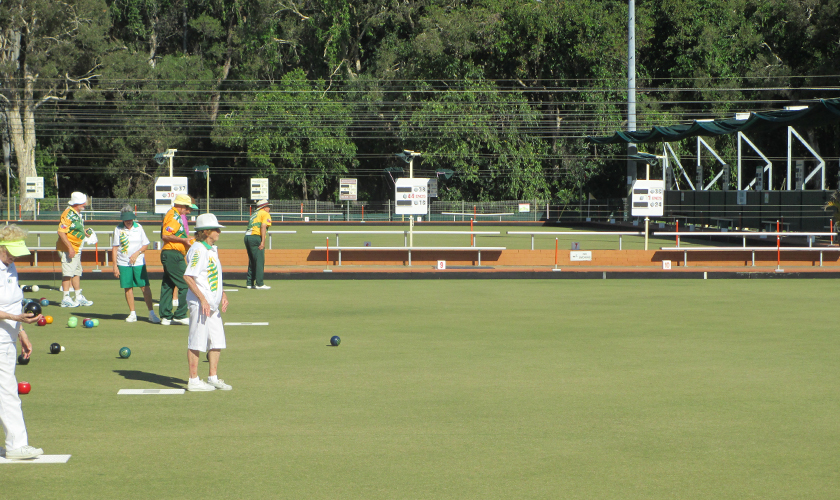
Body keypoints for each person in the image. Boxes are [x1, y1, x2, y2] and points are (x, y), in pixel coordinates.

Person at [0, 225, 45, 460]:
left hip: (8, 337)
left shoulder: (11, 266)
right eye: (11, 251)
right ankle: (17, 445)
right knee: (7, 391)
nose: (15, 256)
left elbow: (14, 302)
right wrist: (16, 319)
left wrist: (21, 332)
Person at [184, 213, 230, 392]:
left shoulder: (212, 249)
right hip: (200, 304)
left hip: (212, 305)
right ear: (205, 232)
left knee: (217, 340)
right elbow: (188, 276)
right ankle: (193, 380)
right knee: (197, 340)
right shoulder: (198, 249)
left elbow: (214, 276)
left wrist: (223, 294)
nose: (219, 232)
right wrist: (202, 299)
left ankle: (213, 377)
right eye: (216, 229)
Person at [112, 207, 160, 323]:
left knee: (144, 286)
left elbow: (145, 244)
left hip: (139, 263)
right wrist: (114, 266)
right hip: (123, 263)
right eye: (126, 220)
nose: (128, 222)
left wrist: (137, 253)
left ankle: (151, 313)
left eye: (130, 220)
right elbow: (115, 248)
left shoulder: (139, 228)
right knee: (128, 287)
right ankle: (132, 313)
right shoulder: (118, 229)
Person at [159, 194, 197, 326]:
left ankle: (165, 316)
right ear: (180, 205)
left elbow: (175, 234)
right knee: (186, 283)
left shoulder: (175, 215)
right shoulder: (174, 216)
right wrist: (183, 240)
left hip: (171, 253)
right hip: (173, 253)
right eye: (187, 207)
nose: (188, 210)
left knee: (168, 285)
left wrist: (187, 239)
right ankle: (180, 314)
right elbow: (166, 235)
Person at [56, 191, 94, 308]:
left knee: (76, 272)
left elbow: (74, 229)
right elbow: (61, 232)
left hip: (77, 248)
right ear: (77, 203)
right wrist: (70, 248)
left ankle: (78, 296)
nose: (85, 205)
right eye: (83, 203)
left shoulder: (77, 213)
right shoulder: (68, 214)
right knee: (68, 273)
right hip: (69, 250)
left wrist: (84, 232)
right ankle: (66, 298)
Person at [244, 199, 271, 290]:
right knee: (259, 260)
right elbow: (263, 226)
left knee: (252, 260)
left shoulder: (254, 214)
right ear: (263, 207)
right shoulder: (265, 214)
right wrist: (263, 241)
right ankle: (259, 283)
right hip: (256, 237)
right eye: (267, 206)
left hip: (247, 237)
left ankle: (249, 282)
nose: (269, 208)